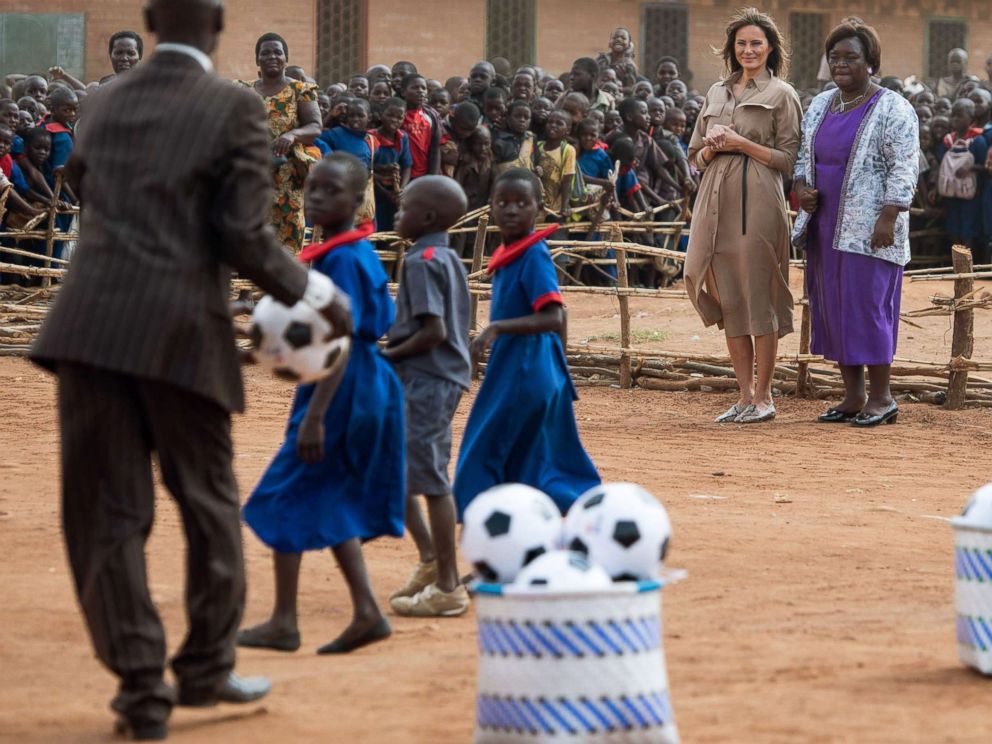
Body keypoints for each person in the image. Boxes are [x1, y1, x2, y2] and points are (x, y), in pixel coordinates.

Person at [28, 0, 354, 738]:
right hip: (181, 333)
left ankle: (141, 691)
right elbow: (241, 233)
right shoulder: (234, 106)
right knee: (207, 503)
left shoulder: (100, 104)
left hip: (87, 328)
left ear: (146, 20)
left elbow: (83, 182)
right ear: (216, 22)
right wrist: (318, 292)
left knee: (106, 514)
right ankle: (206, 668)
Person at [239, 154, 404, 655]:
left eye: (330, 191)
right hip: (354, 383)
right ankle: (366, 611)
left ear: (357, 202)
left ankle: (285, 622)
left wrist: (314, 417)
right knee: (325, 495)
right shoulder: (341, 253)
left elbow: (340, 338)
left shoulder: (344, 260)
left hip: (342, 389)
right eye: (312, 188)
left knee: (286, 494)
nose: (315, 198)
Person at [793, 19, 919, 426]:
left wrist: (890, 214)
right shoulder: (820, 104)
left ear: (870, 63)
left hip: (871, 230)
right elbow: (802, 157)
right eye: (834, 57)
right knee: (834, 308)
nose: (841, 64)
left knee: (867, 307)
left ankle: (882, 398)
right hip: (825, 224)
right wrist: (801, 186)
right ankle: (853, 396)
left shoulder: (893, 107)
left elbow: (905, 165)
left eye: (851, 57)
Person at [453, 168, 600, 515]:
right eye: (502, 202)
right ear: (490, 207)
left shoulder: (533, 255)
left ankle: (481, 514)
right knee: (531, 455)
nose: (511, 210)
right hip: (525, 365)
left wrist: (496, 329)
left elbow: (553, 316)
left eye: (522, 203)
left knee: (488, 448)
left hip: (525, 366)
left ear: (539, 208)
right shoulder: (512, 252)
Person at [684, 8, 802, 424]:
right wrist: (713, 148)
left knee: (760, 297)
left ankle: (765, 397)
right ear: (732, 50)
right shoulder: (716, 92)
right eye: (741, 44)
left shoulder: (782, 94)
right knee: (730, 296)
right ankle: (744, 395)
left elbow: (789, 159)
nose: (748, 50)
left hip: (759, 204)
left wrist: (739, 142)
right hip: (714, 199)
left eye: (756, 43)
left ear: (770, 48)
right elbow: (694, 155)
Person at [383, 177, 472, 617]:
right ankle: (431, 561)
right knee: (402, 469)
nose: (397, 216)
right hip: (438, 378)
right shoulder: (448, 257)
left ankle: (448, 585)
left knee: (431, 478)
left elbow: (432, 331)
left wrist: (387, 354)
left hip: (428, 378)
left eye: (403, 209)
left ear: (428, 218)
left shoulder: (421, 261)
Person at [236, 33, 321, 252]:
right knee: (249, 243)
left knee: (288, 245)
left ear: (286, 58)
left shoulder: (300, 90)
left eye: (277, 52)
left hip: (287, 181)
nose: (272, 56)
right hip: (252, 179)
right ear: (257, 60)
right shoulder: (243, 91)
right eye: (265, 53)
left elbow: (315, 127)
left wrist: (292, 135)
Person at [937, 98, 987, 259]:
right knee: (953, 228)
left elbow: (985, 167)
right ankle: (956, 263)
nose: (955, 120)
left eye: (960, 116)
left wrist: (971, 168)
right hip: (951, 193)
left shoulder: (978, 141)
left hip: (970, 196)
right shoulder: (948, 140)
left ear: (971, 119)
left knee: (968, 229)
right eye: (953, 116)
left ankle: (967, 265)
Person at [319, 97, 377, 225]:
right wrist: (330, 116)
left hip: (363, 198)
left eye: (360, 115)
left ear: (369, 118)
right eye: (352, 116)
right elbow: (314, 136)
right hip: (340, 194)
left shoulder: (371, 140)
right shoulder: (336, 134)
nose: (356, 119)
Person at [370, 97, 412, 233]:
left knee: (391, 229)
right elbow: (367, 168)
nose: (394, 120)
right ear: (382, 114)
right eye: (390, 115)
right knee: (375, 228)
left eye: (399, 117)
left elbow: (407, 165)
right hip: (374, 191)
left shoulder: (402, 137)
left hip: (394, 193)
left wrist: (402, 190)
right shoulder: (371, 137)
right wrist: (386, 193)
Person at [534, 109, 577, 220]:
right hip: (537, 206)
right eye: (550, 122)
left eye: (559, 123)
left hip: (555, 208)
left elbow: (567, 180)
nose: (553, 125)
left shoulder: (568, 150)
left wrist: (564, 206)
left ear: (568, 130)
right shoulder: (538, 146)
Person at [401, 73, 441, 179]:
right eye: (415, 87)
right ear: (403, 92)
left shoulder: (431, 115)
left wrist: (433, 177)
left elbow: (435, 148)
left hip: (424, 173)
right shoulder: (399, 114)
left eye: (423, 88)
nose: (420, 91)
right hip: (403, 174)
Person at [492, 100, 535, 176]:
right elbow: (494, 171)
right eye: (517, 116)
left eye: (526, 117)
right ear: (508, 118)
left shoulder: (531, 138)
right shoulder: (499, 142)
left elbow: (535, 161)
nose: (522, 120)